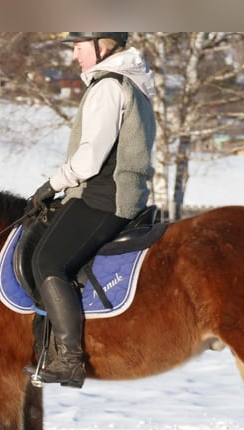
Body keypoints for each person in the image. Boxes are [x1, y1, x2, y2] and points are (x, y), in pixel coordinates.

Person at [27, 32, 157, 388]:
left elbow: (88, 160)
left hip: (104, 197)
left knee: (47, 261)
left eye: (78, 47)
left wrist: (51, 185)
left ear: (103, 45)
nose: (74, 56)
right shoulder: (133, 85)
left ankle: (68, 359)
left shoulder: (108, 87)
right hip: (121, 194)